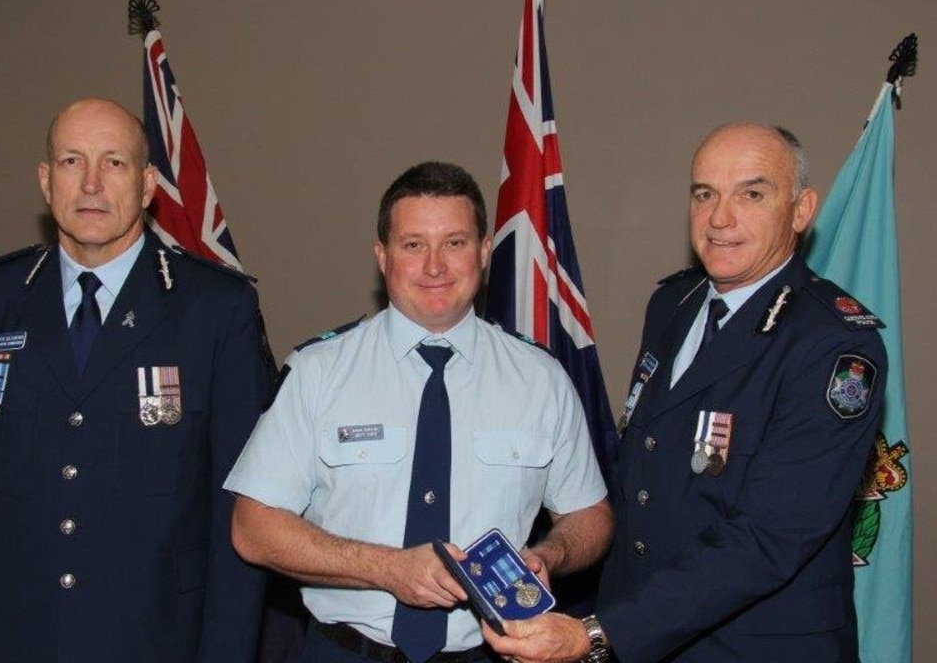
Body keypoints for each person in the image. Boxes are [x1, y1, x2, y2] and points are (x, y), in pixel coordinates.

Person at [484, 123, 887, 662]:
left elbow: (769, 538)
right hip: (649, 637)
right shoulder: (675, 305)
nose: (721, 217)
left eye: (751, 193)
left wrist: (600, 634)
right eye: (705, 194)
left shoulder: (831, 345)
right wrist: (561, 554)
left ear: (800, 209)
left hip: (754, 647)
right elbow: (645, 483)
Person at [0, 98, 273, 663]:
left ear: (149, 183)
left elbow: (240, 505)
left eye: (115, 163)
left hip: (158, 640)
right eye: (73, 162)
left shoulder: (216, 309)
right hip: (8, 635)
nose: (92, 184)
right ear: (46, 181)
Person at [225, 161, 613, 663]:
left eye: (454, 243)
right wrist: (386, 568)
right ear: (382, 256)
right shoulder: (320, 372)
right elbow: (252, 527)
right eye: (413, 245)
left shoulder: (541, 379)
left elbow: (590, 514)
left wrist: (549, 555)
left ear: (484, 251)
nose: (435, 267)